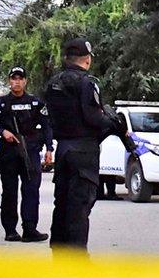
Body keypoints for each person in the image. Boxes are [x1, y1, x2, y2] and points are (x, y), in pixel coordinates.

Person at [43, 38, 129, 251]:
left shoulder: (54, 83)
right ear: (87, 59)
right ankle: (76, 260)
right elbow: (93, 118)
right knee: (80, 206)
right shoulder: (87, 83)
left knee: (61, 204)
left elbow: (50, 117)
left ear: (67, 58)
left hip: (63, 149)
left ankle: (59, 253)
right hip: (84, 151)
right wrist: (113, 123)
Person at [0, 67, 53, 242]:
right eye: (13, 78)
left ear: (25, 81)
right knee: (9, 192)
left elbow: (46, 127)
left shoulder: (35, 103)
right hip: (9, 153)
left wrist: (49, 149)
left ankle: (30, 230)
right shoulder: (1, 104)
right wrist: (2, 132)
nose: (16, 81)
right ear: (9, 82)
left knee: (31, 191)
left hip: (30, 151)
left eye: (20, 78)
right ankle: (10, 230)